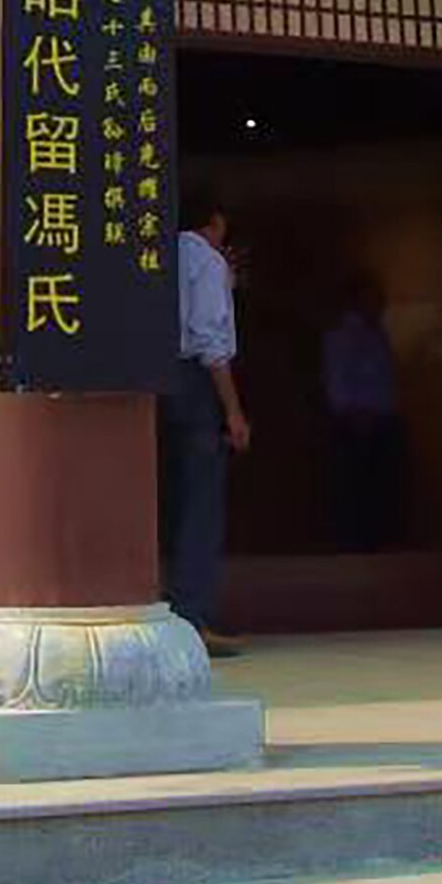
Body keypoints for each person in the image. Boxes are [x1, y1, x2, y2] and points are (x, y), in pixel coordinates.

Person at [160, 193, 246, 654]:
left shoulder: (156, 254)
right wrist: (233, 409)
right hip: (194, 385)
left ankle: (164, 609)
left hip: (155, 382)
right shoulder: (206, 261)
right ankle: (192, 616)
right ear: (216, 220)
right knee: (201, 504)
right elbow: (211, 342)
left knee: (169, 500)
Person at [322, 268, 406, 552]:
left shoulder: (378, 335)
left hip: (382, 421)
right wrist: (353, 413)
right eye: (371, 297)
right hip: (355, 422)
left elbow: (386, 379)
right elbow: (337, 379)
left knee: (377, 488)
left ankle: (375, 542)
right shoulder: (343, 335)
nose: (377, 303)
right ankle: (353, 545)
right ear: (357, 299)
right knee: (355, 487)